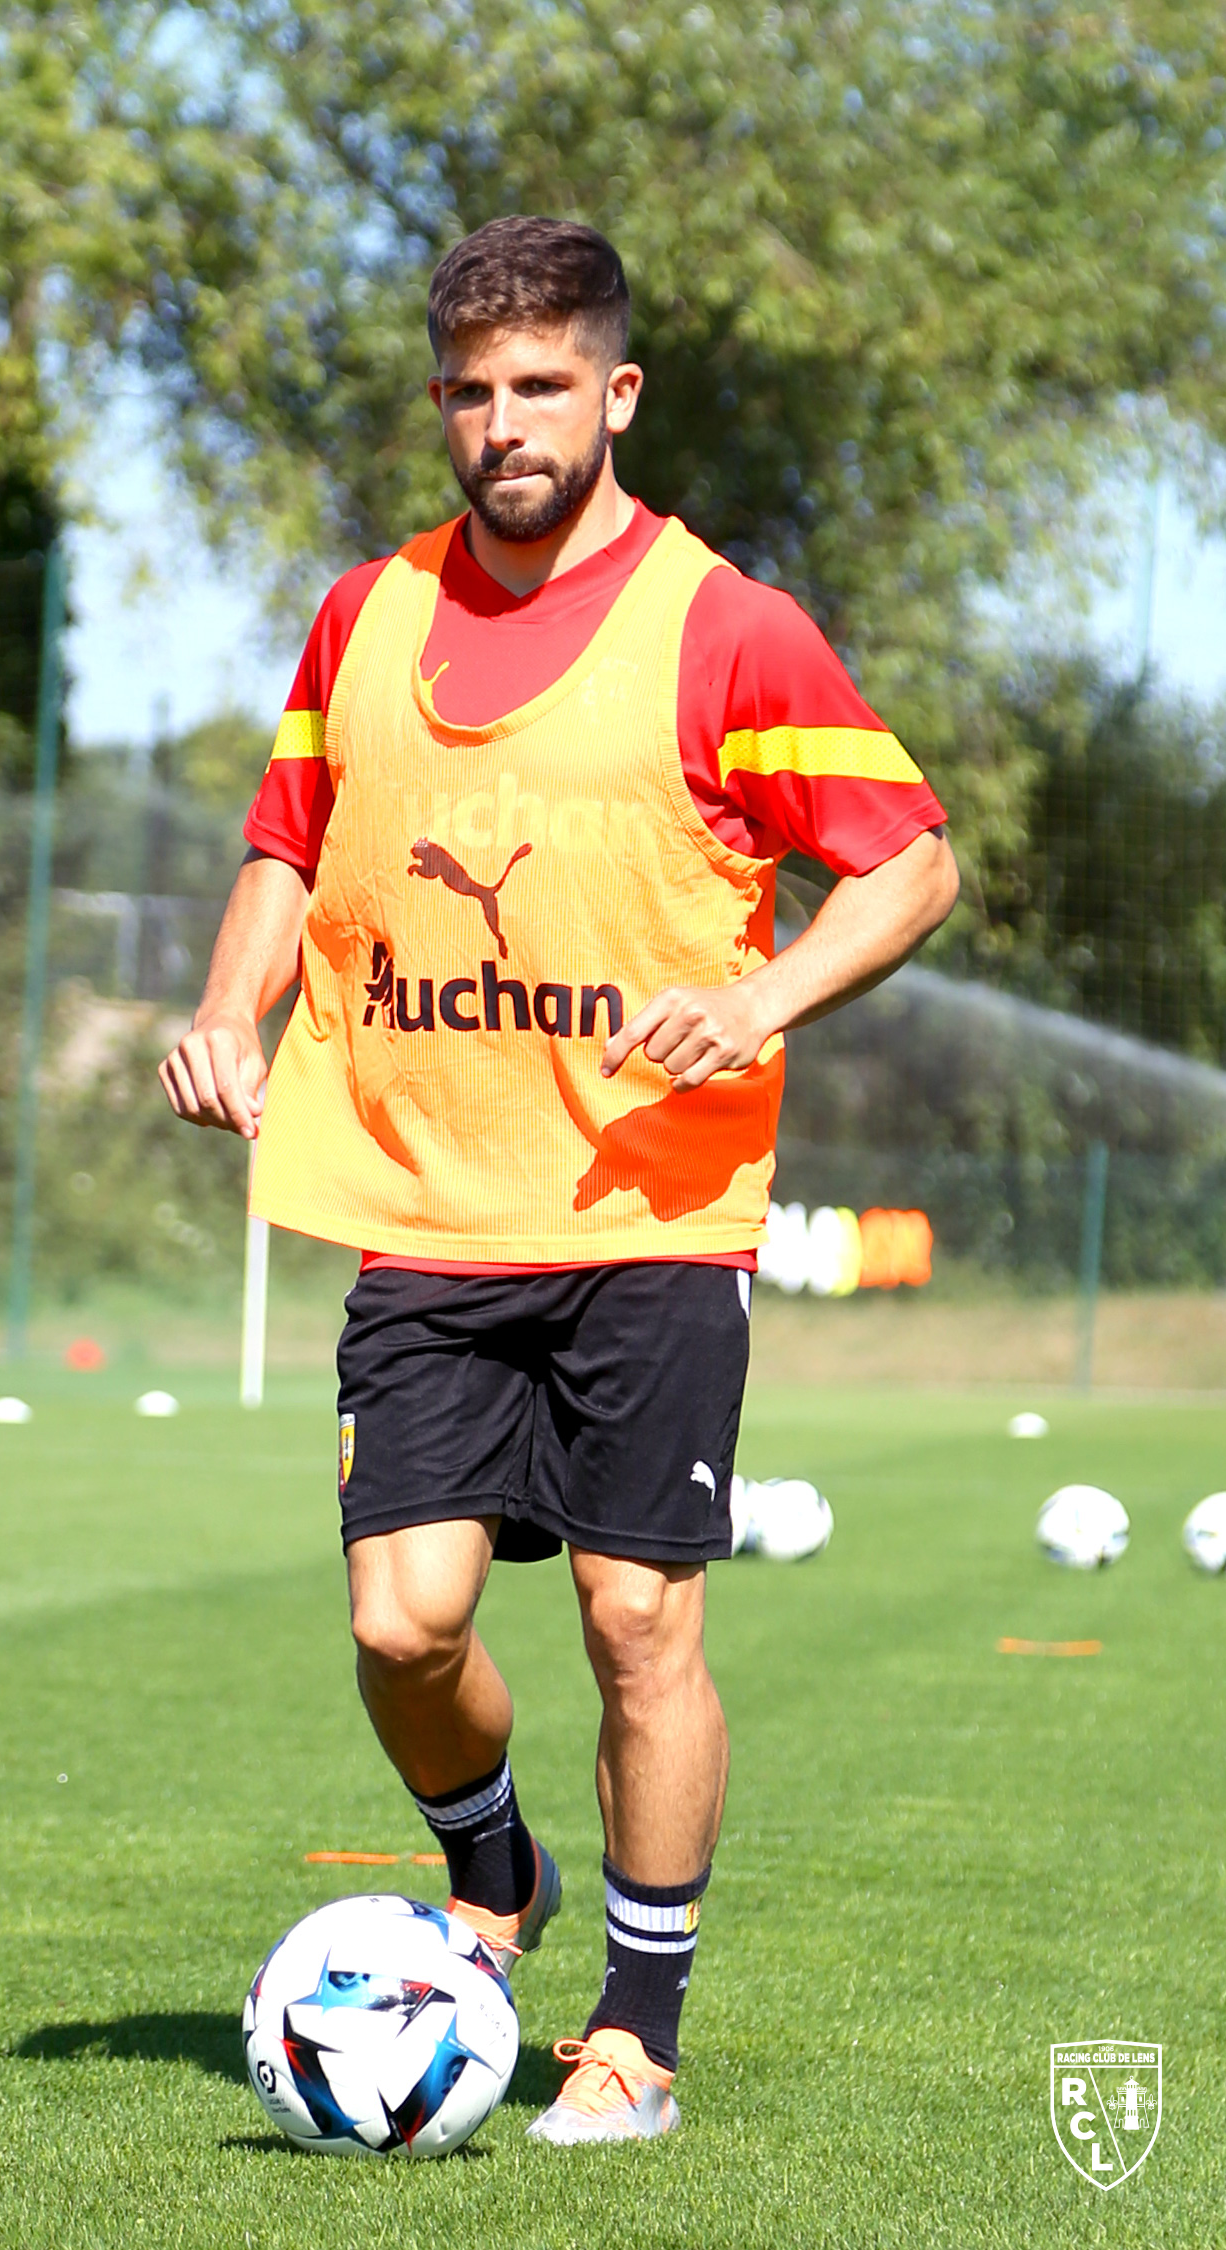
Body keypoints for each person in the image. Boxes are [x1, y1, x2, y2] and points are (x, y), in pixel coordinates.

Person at [161, 215, 959, 2143]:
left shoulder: (726, 626)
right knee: (401, 1626)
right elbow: (291, 838)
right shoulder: (365, 618)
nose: (503, 423)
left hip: (647, 1221)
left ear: (615, 395)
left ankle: (637, 2032)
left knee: (635, 1617)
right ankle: (491, 1871)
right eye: (470, 391)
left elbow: (913, 858)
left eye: (540, 386)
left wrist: (758, 990)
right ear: (441, 405)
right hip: (425, 1207)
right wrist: (225, 1007)